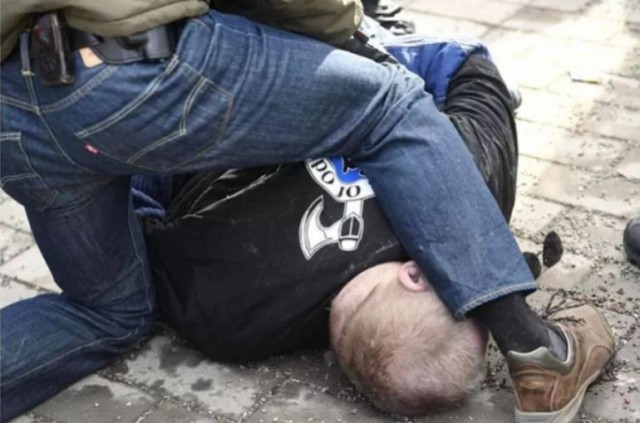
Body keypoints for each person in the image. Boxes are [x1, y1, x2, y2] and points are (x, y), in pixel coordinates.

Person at [0, 3, 614, 423]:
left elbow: (469, 68)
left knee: (109, 310)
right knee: (391, 106)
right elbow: (143, 209)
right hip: (110, 92)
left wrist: (345, 46)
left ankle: (533, 346)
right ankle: (537, 350)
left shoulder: (227, 316)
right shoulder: (228, 325)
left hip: (32, 97)